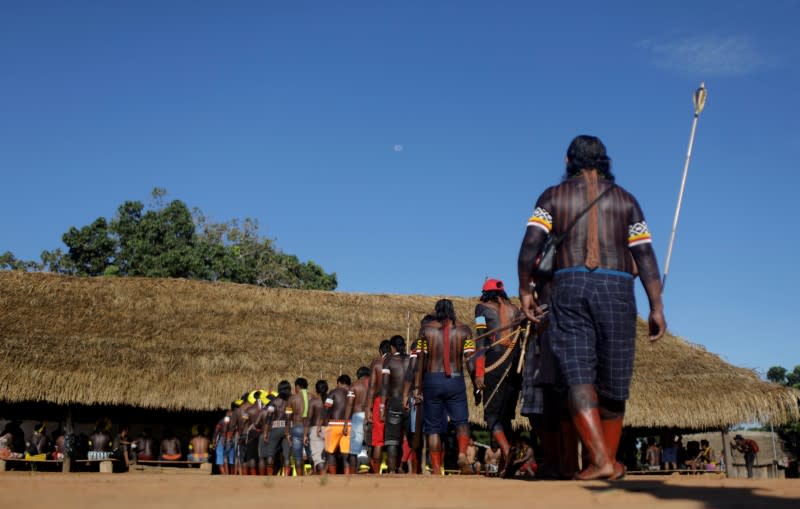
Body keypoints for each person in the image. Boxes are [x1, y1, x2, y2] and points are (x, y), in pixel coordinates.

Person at [517, 135, 666, 480]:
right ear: (605, 161)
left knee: (578, 375)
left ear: (568, 159)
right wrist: (656, 305)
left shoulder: (552, 197)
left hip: (569, 285)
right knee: (614, 382)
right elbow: (644, 256)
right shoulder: (628, 201)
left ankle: (601, 461)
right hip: (618, 288)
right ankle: (604, 461)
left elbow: (529, 249)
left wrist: (526, 290)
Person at [405, 299, 475, 475]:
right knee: (461, 422)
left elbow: (420, 361)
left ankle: (436, 469)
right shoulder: (465, 330)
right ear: (453, 310)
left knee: (433, 428)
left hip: (432, 380)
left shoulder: (426, 330)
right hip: (456, 380)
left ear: (437, 311)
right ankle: (461, 454)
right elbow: (470, 361)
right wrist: (476, 384)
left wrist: (417, 388)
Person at [473, 278, 524, 473]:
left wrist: (479, 372)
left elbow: (480, 341)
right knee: (506, 417)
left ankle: (507, 449)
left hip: (495, 361)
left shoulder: (481, 309)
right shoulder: (515, 310)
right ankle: (506, 465)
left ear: (485, 293)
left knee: (492, 415)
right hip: (515, 362)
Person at [381, 335, 411, 473]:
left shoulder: (389, 361)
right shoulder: (412, 360)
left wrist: (382, 406)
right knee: (412, 438)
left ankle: (392, 470)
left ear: (392, 347)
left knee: (392, 438)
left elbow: (385, 386)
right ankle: (412, 470)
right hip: (411, 403)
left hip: (394, 402)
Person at [365, 339, 392, 473]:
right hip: (394, 401)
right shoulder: (397, 361)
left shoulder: (377, 363)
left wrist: (368, 408)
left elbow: (371, 387)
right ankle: (395, 469)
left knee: (378, 441)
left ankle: (376, 472)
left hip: (378, 402)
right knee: (396, 439)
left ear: (380, 351)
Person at [324, 374, 355, 474]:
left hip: (334, 424)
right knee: (346, 453)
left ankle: (333, 477)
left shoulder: (333, 392)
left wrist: (324, 422)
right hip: (349, 425)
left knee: (330, 452)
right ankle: (346, 477)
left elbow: (327, 408)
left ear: (339, 383)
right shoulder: (353, 392)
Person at [261, 381, 292, 476]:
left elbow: (269, 418)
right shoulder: (289, 402)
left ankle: (270, 477)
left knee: (270, 454)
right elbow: (288, 417)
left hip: (275, 428)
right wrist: (287, 433)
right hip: (287, 428)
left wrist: (265, 432)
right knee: (286, 455)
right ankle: (286, 477)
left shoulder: (273, 402)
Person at [348, 367, 370, 474]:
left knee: (354, 448)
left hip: (357, 416)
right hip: (370, 415)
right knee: (369, 443)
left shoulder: (354, 385)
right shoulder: (372, 384)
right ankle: (369, 468)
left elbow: (349, 403)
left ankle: (353, 473)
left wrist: (346, 421)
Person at [288, 378, 310, 476]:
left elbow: (288, 416)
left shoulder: (292, 398)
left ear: (297, 387)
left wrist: (287, 432)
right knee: (312, 455)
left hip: (297, 427)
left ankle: (299, 478)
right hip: (309, 428)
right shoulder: (312, 397)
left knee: (297, 457)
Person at [306, 380, 328, 474]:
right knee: (328, 456)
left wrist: (305, 434)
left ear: (316, 390)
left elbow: (309, 419)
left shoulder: (313, 401)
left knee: (318, 458)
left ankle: (323, 480)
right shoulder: (330, 400)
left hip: (316, 430)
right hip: (329, 429)